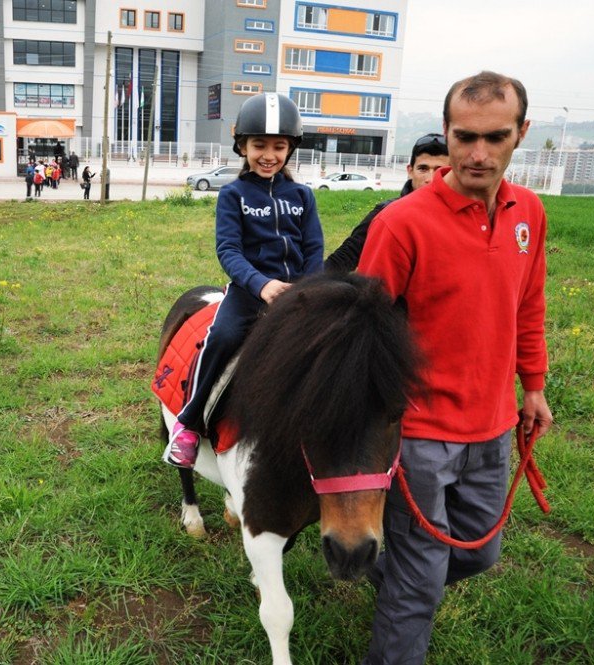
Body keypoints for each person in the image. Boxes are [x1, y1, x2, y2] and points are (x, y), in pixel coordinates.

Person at [356, 71, 554, 665]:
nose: (478, 153)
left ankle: (391, 576)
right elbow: (362, 333)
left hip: (494, 426)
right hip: (419, 434)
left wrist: (534, 387)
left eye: (495, 138)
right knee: (419, 585)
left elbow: (528, 304)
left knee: (479, 552)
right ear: (447, 132)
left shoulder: (530, 213)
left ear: (521, 133)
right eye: (465, 137)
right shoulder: (401, 224)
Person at [163, 93, 324, 468]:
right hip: (250, 292)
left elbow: (314, 248)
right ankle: (188, 423)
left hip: (298, 293)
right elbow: (229, 251)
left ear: (290, 149)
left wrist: (307, 289)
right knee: (221, 338)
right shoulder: (233, 195)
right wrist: (262, 285)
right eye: (259, 146)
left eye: (279, 147)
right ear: (242, 147)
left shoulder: (303, 196)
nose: (269, 155)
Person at [325, 133, 449, 273]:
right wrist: (305, 287)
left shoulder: (468, 216)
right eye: (423, 169)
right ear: (410, 171)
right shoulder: (385, 212)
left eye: (440, 170)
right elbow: (345, 256)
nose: (430, 179)